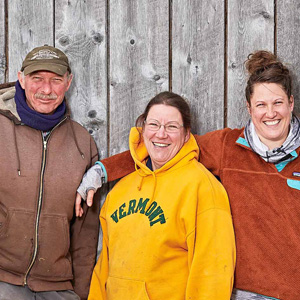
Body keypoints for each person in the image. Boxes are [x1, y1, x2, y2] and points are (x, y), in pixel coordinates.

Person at [77, 50, 300, 300]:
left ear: (290, 103)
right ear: (249, 108)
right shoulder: (228, 146)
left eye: (278, 103)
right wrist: (103, 171)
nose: (270, 113)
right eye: (261, 104)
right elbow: (160, 148)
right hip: (242, 293)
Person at [85, 92, 235, 299]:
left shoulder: (202, 187)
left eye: (172, 126)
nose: (161, 134)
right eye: (154, 124)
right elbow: (104, 269)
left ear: (186, 134)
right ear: (143, 129)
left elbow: (213, 273)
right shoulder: (121, 190)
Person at [0, 45, 100, 300]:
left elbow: (85, 232)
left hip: (58, 286)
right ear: (21, 79)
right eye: (38, 79)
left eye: (56, 80)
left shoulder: (82, 142)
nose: (46, 90)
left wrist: (81, 292)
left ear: (68, 83)